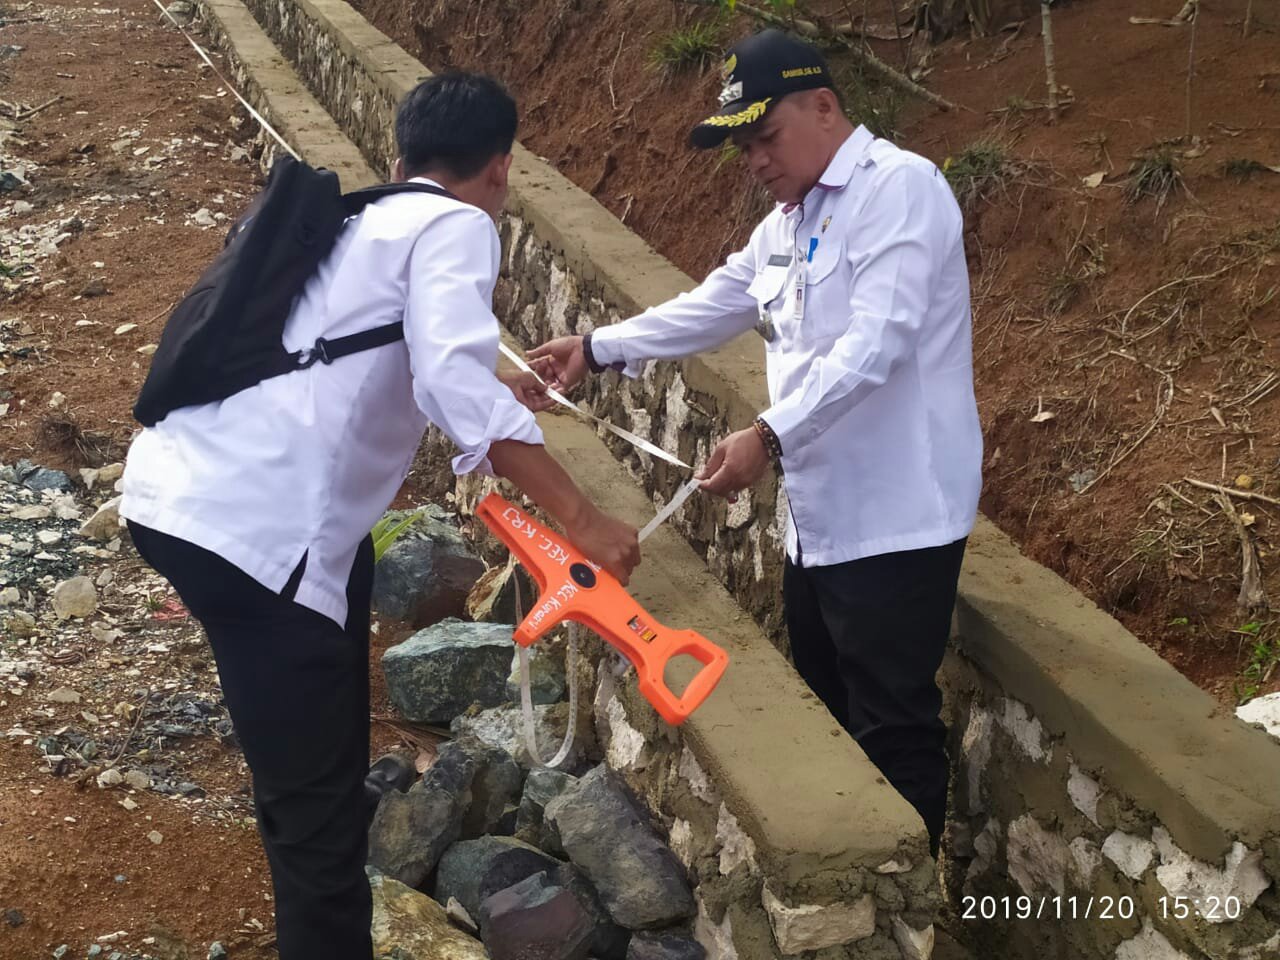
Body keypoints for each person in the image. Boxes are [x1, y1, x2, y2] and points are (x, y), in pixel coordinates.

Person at [120, 73, 640, 959]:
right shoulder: (458, 224)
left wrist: (490, 386)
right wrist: (583, 520)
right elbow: (448, 380)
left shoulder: (362, 218)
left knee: (344, 589)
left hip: (177, 493)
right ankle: (320, 838)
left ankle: (323, 774)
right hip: (256, 533)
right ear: (500, 169)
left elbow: (372, 356)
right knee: (314, 830)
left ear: (401, 157)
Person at [529, 29, 982, 856]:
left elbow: (877, 345)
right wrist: (596, 348)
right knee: (826, 711)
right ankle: (847, 865)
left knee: (893, 724)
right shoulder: (790, 221)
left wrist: (769, 436)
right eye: (743, 148)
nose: (755, 161)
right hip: (819, 523)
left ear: (824, 106)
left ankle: (901, 901)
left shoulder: (900, 191)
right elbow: (717, 302)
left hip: (898, 521)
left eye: (765, 137)